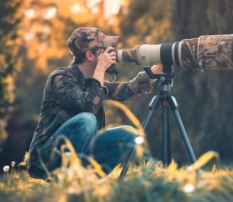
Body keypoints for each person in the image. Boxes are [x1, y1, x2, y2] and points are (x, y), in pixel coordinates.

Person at [27, 27, 162, 180]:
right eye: (104, 49)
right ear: (89, 55)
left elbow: (127, 89)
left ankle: (87, 181)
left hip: (80, 154)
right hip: (47, 158)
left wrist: (162, 65)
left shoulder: (94, 83)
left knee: (128, 133)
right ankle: (67, 180)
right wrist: (100, 69)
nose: (110, 51)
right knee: (87, 119)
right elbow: (88, 106)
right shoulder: (60, 78)